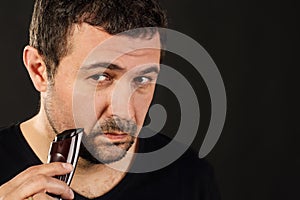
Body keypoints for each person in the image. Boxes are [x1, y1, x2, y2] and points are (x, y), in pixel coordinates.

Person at [0, 0, 220, 199]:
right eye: (100, 76)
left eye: (142, 79)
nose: (124, 111)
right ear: (39, 70)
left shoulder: (190, 179)